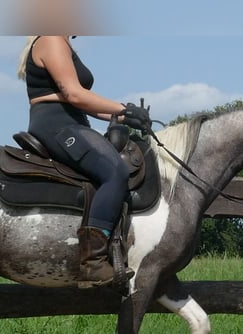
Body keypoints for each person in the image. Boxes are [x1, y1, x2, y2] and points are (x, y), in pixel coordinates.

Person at [16, 35, 151, 288]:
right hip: (57, 124)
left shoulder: (61, 42)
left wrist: (125, 116)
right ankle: (94, 261)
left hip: (72, 121)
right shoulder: (51, 38)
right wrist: (123, 109)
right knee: (115, 172)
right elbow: (74, 94)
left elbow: (83, 102)